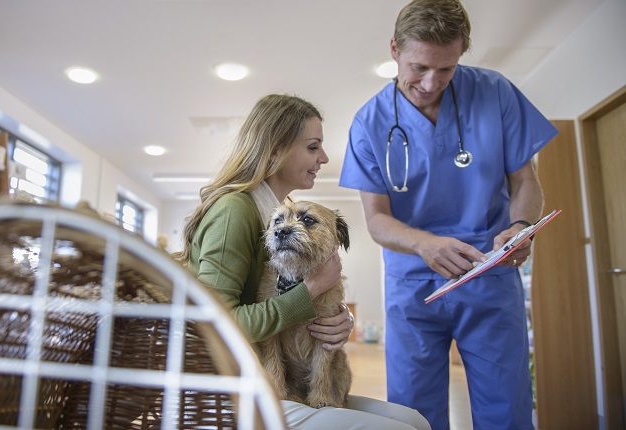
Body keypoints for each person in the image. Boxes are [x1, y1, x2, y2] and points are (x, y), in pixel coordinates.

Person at [338, 0, 559, 429]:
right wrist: (424, 243)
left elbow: (525, 182)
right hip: (413, 283)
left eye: (446, 69)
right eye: (419, 67)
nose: (430, 82)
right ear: (394, 49)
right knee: (414, 414)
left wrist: (519, 227)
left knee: (507, 410)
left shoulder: (495, 92)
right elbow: (377, 220)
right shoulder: (369, 122)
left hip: (488, 275)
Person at [175, 93, 431, 430]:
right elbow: (214, 325)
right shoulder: (234, 211)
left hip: (271, 377)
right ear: (276, 149)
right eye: (313, 147)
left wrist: (340, 318)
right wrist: (310, 292)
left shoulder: (275, 212)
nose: (324, 157)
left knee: (412, 420)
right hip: (227, 386)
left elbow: (286, 293)